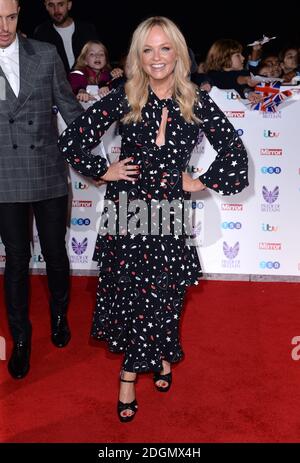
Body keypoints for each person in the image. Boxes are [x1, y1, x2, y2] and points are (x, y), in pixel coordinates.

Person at [58, 16, 249, 422]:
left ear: (177, 52)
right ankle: (137, 370)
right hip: (128, 212)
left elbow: (235, 154)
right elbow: (72, 140)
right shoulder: (124, 96)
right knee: (135, 298)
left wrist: (199, 181)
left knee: (164, 295)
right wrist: (102, 169)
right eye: (148, 49)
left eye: (165, 48)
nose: (157, 57)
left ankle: (141, 365)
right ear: (137, 56)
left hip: (170, 214)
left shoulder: (195, 100)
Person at [0, 0, 83, 380]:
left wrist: (97, 162)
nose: (4, 26)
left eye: (11, 17)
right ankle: (20, 338)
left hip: (48, 169)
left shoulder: (45, 54)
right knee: (16, 262)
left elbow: (69, 109)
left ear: (19, 13)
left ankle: (60, 315)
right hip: (5, 176)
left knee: (55, 253)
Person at [33, 0, 98, 74]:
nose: (56, 10)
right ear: (46, 6)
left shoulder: (87, 29)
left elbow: (101, 59)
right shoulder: (41, 33)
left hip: (89, 82)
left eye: (60, 4)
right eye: (51, 5)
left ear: (69, 5)